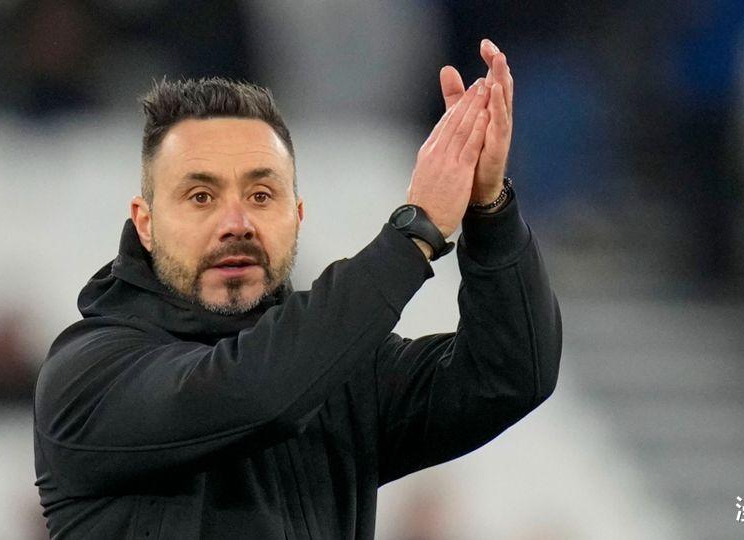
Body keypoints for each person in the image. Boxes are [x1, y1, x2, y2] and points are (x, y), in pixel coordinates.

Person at [33, 39, 562, 539]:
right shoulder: (88, 375)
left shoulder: (338, 372)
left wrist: (489, 208)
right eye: (200, 197)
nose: (236, 223)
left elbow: (512, 374)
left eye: (262, 195)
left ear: (298, 216)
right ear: (146, 223)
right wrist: (413, 234)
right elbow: (255, 394)